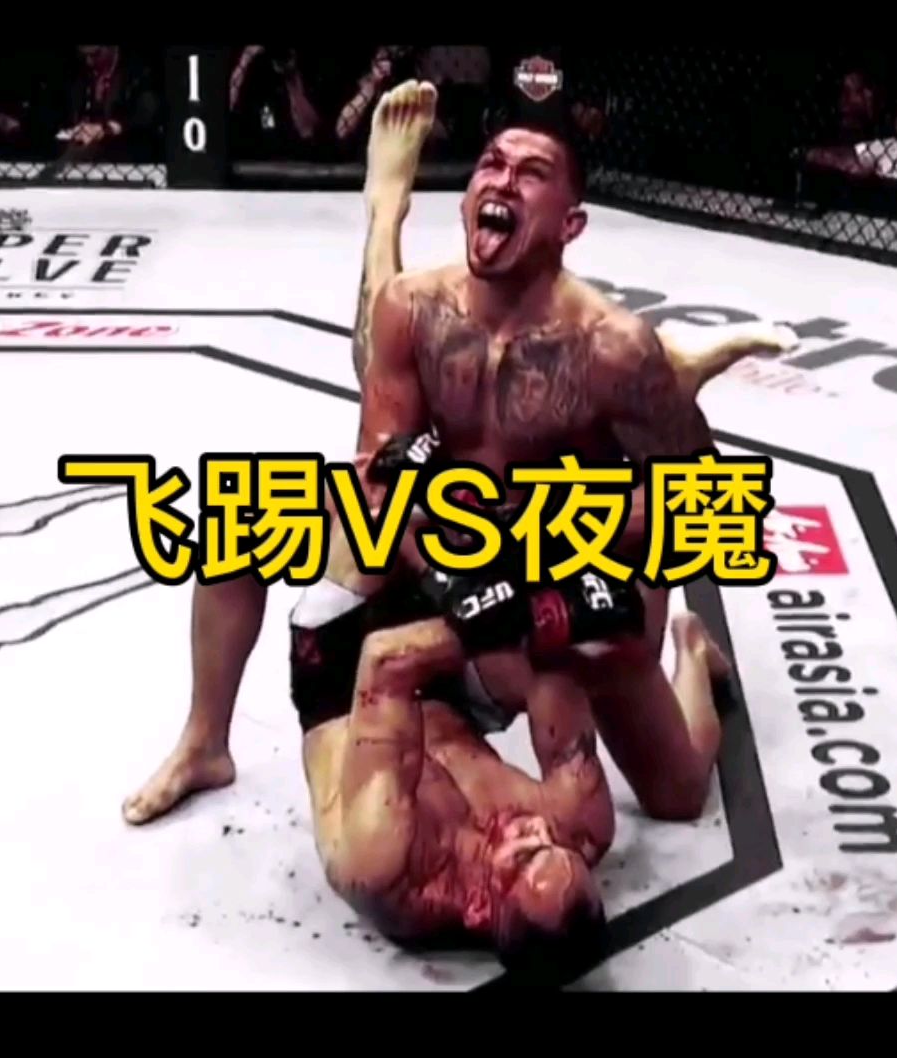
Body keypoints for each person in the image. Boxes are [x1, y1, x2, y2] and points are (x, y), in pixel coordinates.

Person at [123, 80, 786, 827]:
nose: (502, 180)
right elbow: (379, 469)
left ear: (570, 224)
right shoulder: (414, 309)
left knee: (676, 797)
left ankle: (691, 654)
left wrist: (543, 547)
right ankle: (205, 740)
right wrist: (451, 565)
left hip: (565, 570)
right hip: (450, 546)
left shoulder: (610, 347)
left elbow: (699, 501)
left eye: (530, 173)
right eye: (491, 165)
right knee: (242, 517)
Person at [301, 597, 732, 965]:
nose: (539, 828)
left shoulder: (387, 860)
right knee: (607, 644)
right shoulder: (573, 828)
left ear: (478, 907)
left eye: (526, 854)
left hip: (343, 677)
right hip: (452, 689)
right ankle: (692, 650)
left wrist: (498, 612)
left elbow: (383, 662)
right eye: (558, 848)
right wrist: (562, 609)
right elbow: (559, 668)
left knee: (373, 531)